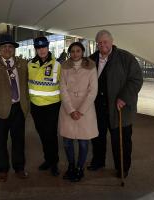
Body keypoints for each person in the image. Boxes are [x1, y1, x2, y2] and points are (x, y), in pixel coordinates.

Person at [87, 30, 143, 178]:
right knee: (97, 137)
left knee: (121, 140)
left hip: (120, 109)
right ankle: (98, 161)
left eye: (105, 42)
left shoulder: (125, 58)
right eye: (99, 42)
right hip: (98, 107)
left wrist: (124, 97)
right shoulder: (91, 59)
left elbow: (136, 79)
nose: (102, 45)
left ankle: (122, 168)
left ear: (112, 42)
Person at [0, 34, 29, 182]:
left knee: (19, 141)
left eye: (10, 46)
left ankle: (19, 167)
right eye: (4, 47)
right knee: (0, 142)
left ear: (14, 49)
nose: (7, 49)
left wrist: (26, 106)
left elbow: (26, 85)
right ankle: (2, 169)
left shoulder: (22, 63)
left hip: (18, 109)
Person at [58, 42, 98, 182]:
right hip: (67, 109)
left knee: (83, 142)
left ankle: (80, 168)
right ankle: (71, 166)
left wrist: (80, 111)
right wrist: (70, 110)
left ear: (82, 52)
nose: (75, 53)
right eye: (73, 51)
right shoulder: (64, 66)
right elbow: (62, 89)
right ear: (69, 52)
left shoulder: (91, 66)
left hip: (85, 110)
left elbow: (93, 90)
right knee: (67, 141)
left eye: (78, 51)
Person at [28, 36, 61, 176]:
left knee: (51, 135)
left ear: (48, 47)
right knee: (42, 134)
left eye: (44, 47)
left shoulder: (57, 65)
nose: (41, 50)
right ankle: (48, 160)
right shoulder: (29, 65)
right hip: (36, 106)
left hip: (52, 106)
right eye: (39, 48)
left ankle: (54, 163)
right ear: (36, 49)